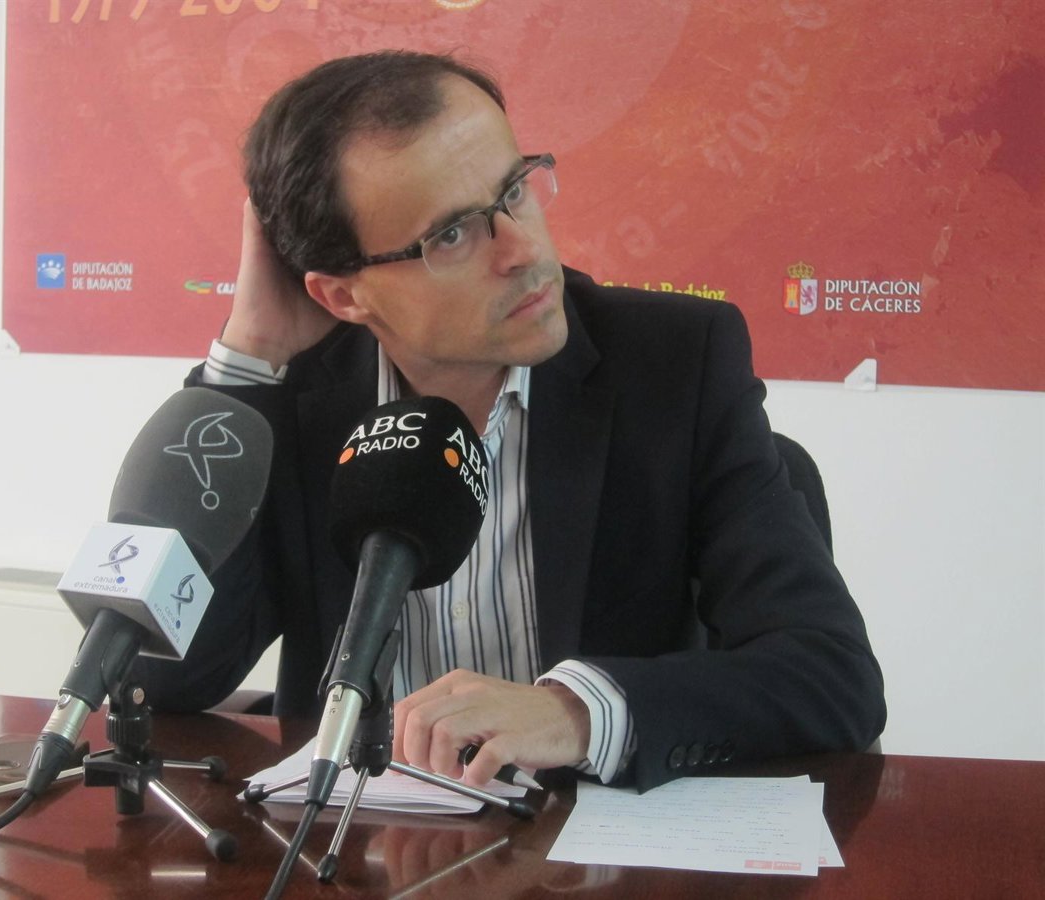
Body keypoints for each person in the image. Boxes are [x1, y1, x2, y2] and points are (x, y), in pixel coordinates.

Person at [135, 50, 885, 792]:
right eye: (452, 235)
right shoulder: (292, 404)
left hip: (584, 843)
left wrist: (576, 712)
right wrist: (246, 363)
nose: (524, 251)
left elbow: (832, 676)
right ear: (343, 295)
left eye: (515, 191)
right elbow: (155, 677)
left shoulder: (674, 367)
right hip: (358, 842)